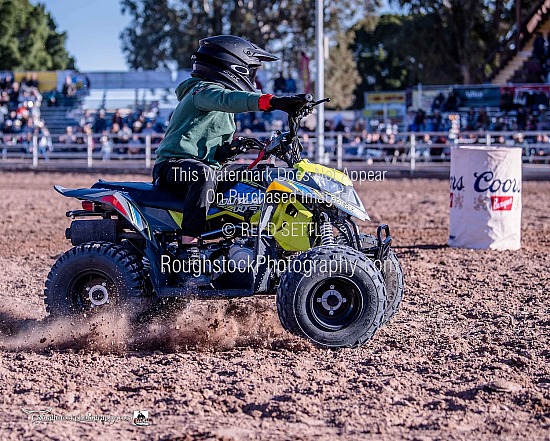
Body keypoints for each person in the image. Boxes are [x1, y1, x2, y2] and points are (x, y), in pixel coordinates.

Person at [152, 35, 309, 258]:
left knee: (259, 176)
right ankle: (189, 248)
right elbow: (227, 98)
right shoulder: (202, 91)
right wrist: (273, 101)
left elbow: (207, 138)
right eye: (250, 71)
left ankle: (264, 242)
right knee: (203, 175)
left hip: (204, 167)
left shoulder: (218, 104)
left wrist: (229, 150)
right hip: (172, 168)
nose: (253, 78)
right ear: (231, 67)